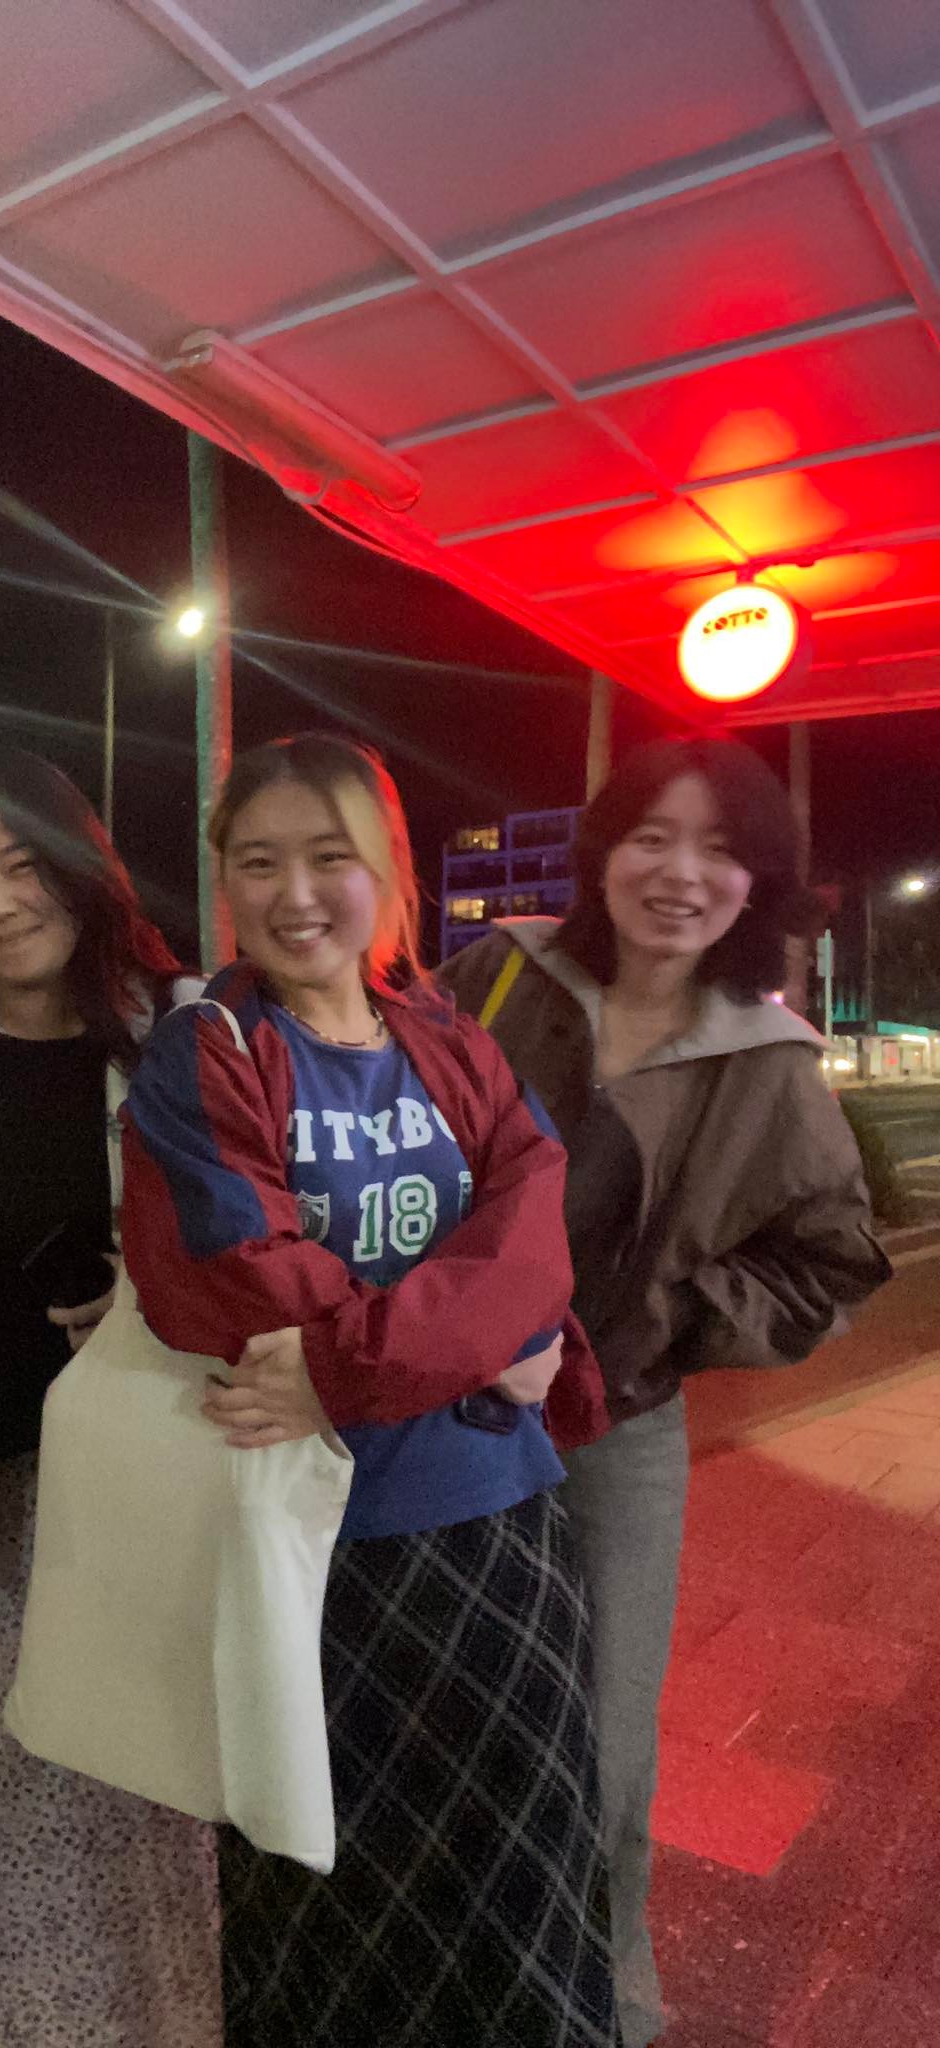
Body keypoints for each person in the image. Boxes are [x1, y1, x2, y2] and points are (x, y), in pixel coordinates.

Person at [119, 733, 618, 2048]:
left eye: (330, 858)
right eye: (258, 860)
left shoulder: (449, 1040)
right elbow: (244, 1285)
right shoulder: (208, 1056)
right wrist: (477, 1343)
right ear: (224, 878)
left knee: (521, 1891)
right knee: (323, 1905)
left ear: (388, 872)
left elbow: (536, 1230)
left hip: (504, 1539)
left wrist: (378, 1357)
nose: (295, 893)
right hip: (317, 1560)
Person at [437, 737, 892, 2048]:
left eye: (720, 850)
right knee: (434, 1710)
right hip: (428, 1411)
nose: (678, 872)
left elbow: (834, 1260)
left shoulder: (765, 1060)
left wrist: (644, 1333)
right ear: (603, 850)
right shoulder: (500, 970)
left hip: (609, 1438)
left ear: (759, 886)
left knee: (596, 1751)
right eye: (650, 836)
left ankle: (601, 2010)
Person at [0, 748, 222, 2048]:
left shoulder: (184, 1031)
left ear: (81, 866)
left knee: (162, 1809)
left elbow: (289, 1235)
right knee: (21, 1822)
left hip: (162, 1498)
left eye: (21, 864)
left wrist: (161, 1293)